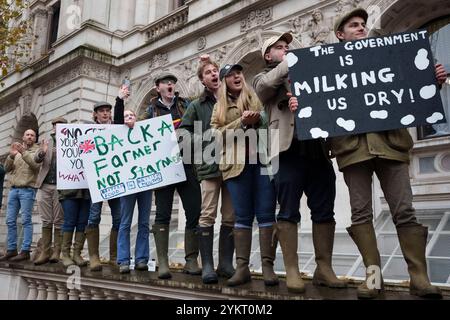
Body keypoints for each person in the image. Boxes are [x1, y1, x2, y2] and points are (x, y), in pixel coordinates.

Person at [329, 8, 446, 299]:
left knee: (404, 210)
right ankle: (372, 276)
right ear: (340, 35)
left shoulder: (388, 58)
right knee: (361, 213)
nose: (361, 28)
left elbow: (410, 91)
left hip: (391, 144)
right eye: (353, 25)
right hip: (352, 149)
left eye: (363, 25)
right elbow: (320, 104)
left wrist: (431, 83)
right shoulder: (328, 69)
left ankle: (419, 277)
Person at [253, 32, 346, 293]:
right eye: (279, 48)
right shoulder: (263, 76)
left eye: (287, 46)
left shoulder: (307, 72)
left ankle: (324, 268)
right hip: (285, 150)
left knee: (324, 209)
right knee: (288, 211)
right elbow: (263, 88)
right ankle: (292, 270)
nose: (285, 50)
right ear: (268, 55)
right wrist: (292, 61)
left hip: (316, 147)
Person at [211, 64, 278, 287]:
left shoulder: (255, 98)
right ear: (224, 82)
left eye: (238, 73)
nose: (236, 76)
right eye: (230, 75)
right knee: (242, 217)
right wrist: (241, 122)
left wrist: (258, 120)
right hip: (236, 167)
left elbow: (270, 125)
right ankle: (242, 268)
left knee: (267, 213)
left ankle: (268, 267)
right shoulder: (218, 107)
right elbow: (215, 136)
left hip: (262, 163)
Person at [180, 56, 235, 284]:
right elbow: (182, 134)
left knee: (231, 215)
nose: (213, 74)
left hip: (233, 165)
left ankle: (225, 263)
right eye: (208, 73)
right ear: (202, 80)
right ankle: (208, 265)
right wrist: (204, 139)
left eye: (215, 71)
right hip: (209, 166)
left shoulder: (232, 99)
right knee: (208, 214)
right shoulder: (195, 106)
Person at [142, 72, 202, 279]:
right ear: (158, 87)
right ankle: (163, 261)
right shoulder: (150, 112)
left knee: (194, 210)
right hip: (164, 169)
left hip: (187, 164)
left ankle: (191, 260)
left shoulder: (186, 105)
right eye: (166, 83)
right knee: (163, 214)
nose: (171, 85)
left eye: (173, 83)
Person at [85, 97, 125, 271]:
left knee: (118, 218)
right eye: (101, 111)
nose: (105, 113)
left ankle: (114, 257)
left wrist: (121, 100)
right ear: (95, 115)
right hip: (97, 181)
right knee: (94, 217)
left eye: (108, 111)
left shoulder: (117, 129)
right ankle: (94, 256)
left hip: (114, 180)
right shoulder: (88, 131)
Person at [116, 109, 153, 274]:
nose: (129, 118)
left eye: (132, 115)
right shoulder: (117, 135)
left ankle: (141, 259)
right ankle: (123, 260)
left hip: (145, 183)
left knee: (144, 223)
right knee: (125, 223)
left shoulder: (145, 134)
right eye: (126, 116)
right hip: (127, 184)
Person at [0, 129, 40, 262]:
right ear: (23, 137)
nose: (29, 137)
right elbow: (6, 169)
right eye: (27, 134)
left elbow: (35, 165)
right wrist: (11, 156)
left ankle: (25, 250)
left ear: (35, 138)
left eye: (32, 135)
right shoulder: (15, 153)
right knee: (10, 220)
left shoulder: (38, 151)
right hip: (13, 190)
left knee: (26, 220)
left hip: (28, 190)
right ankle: (11, 250)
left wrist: (23, 152)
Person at [33, 117, 68, 265]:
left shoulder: (70, 141)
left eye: (60, 126)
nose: (57, 127)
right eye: (55, 125)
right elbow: (36, 159)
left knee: (59, 220)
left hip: (61, 185)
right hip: (45, 185)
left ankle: (57, 252)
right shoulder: (46, 141)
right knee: (46, 220)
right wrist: (43, 151)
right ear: (53, 127)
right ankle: (45, 252)